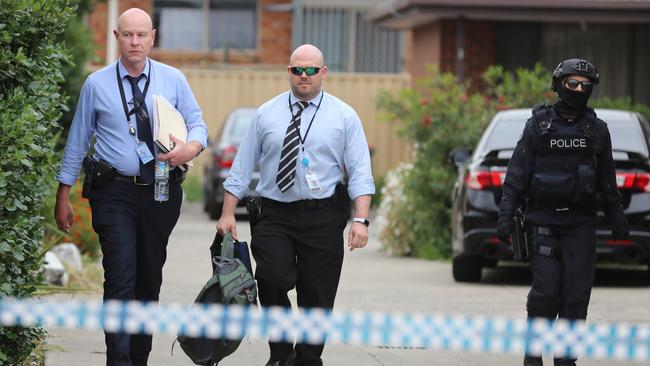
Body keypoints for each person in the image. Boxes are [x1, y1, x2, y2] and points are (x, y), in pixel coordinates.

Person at [54, 8, 207, 366]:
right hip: (114, 193)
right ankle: (118, 360)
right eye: (128, 35)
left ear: (152, 37)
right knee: (120, 277)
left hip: (161, 190)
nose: (135, 42)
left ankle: (139, 358)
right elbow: (77, 141)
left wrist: (190, 148)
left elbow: (199, 125)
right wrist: (64, 193)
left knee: (148, 280)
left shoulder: (174, 80)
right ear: (116, 37)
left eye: (141, 35)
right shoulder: (97, 84)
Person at [216, 44, 374, 366]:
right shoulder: (266, 114)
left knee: (317, 296)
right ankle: (280, 352)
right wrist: (228, 212)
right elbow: (242, 167)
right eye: (297, 70)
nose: (304, 76)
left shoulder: (344, 116)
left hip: (324, 214)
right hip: (275, 212)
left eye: (311, 70)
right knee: (271, 279)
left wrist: (361, 219)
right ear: (289, 72)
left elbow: (360, 171)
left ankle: (306, 359)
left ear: (323, 73)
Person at [497, 58, 629, 366]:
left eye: (586, 85)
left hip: (580, 223)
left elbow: (607, 182)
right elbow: (516, 174)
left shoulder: (597, 131)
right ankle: (533, 356)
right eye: (573, 83)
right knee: (546, 291)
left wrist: (617, 218)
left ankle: (565, 361)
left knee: (576, 297)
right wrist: (506, 214)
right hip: (542, 220)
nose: (579, 89)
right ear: (559, 84)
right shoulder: (538, 126)